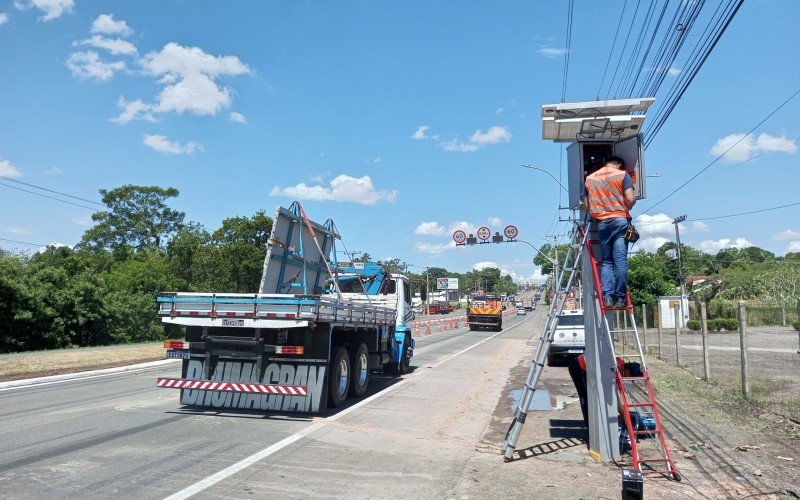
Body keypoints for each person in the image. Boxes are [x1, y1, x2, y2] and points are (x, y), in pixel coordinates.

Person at [580, 156, 636, 309]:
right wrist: (626, 206)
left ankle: (607, 298)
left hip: (602, 224)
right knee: (620, 262)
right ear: (619, 166)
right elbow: (630, 198)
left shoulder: (589, 179)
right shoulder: (622, 175)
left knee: (607, 262)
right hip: (620, 221)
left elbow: (586, 206)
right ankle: (620, 299)